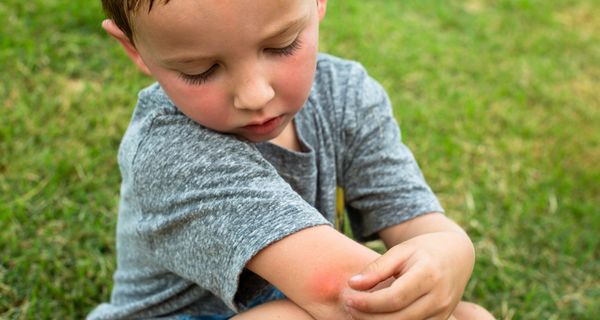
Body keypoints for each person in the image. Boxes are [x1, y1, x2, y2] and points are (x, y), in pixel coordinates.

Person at [88, 0, 495, 319]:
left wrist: (451, 252)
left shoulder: (346, 97)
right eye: (200, 70)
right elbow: (343, 296)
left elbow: (422, 225)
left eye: (281, 45)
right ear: (133, 47)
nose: (254, 95)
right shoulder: (170, 152)